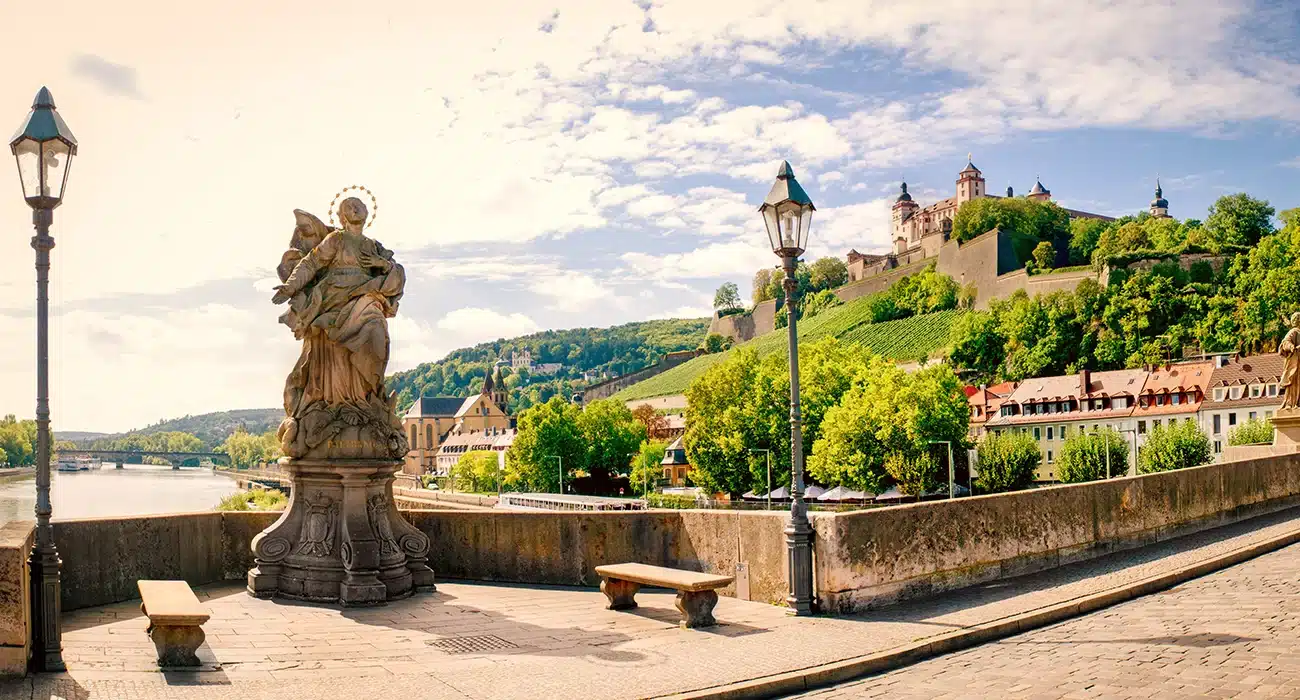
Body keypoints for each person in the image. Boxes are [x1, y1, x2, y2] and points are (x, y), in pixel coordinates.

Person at [271, 197, 407, 459]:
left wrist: (384, 265)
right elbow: (311, 263)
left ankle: (364, 400)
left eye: (359, 205)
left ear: (367, 213)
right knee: (334, 349)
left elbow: (397, 274)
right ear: (342, 216)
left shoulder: (374, 247)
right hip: (334, 298)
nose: (355, 208)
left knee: (377, 335)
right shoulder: (336, 240)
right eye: (349, 206)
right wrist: (290, 286)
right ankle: (339, 403)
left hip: (366, 297)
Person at [1280, 312, 1300, 411]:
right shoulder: (1294, 331)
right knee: (1294, 382)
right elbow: (1285, 342)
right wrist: (1292, 347)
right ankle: (1292, 403)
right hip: (1295, 362)